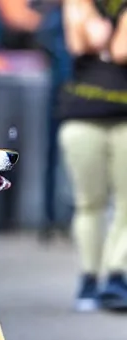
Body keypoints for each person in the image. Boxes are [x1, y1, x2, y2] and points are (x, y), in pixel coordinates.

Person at [57, 0, 127, 311]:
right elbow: (82, 41)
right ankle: (90, 276)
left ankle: (116, 274)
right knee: (89, 203)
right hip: (81, 116)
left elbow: (119, 49)